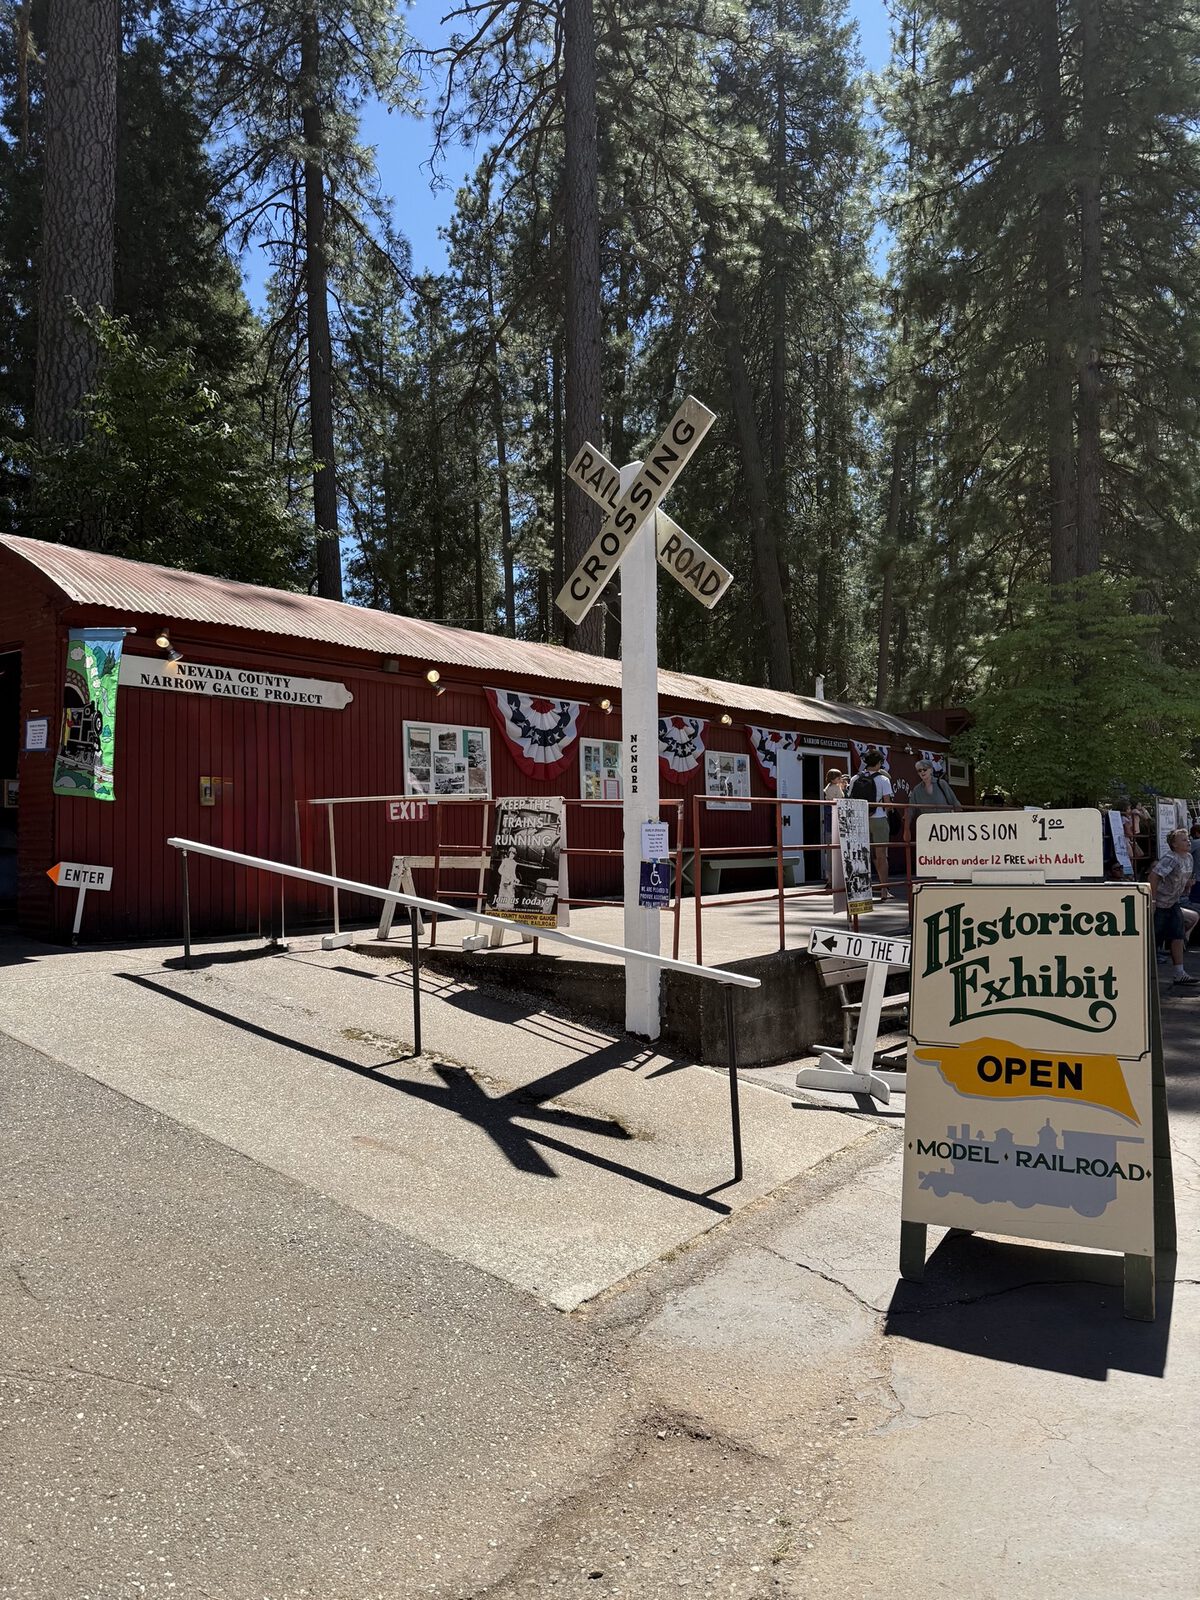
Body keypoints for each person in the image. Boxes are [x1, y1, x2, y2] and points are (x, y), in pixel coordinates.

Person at [1149, 827, 1199, 985]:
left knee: (1178, 936)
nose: (1188, 841)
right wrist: (1153, 900)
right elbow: (1154, 876)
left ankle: (1179, 973)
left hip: (1174, 902)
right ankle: (1143, 971)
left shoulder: (1189, 857)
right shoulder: (1170, 858)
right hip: (1161, 904)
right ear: (1174, 844)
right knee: (1153, 939)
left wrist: (1187, 885)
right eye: (1183, 839)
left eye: (1188, 839)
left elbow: (1184, 877)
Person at [850, 747, 894, 900]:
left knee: (861, 855)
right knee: (882, 855)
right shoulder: (883, 779)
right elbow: (888, 803)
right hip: (879, 818)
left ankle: (861, 890)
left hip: (860, 820)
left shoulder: (855, 778)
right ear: (879, 763)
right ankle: (884, 890)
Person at [903, 758, 961, 844]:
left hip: (945, 827)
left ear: (930, 770)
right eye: (919, 770)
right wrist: (906, 829)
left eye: (924, 769)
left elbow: (955, 803)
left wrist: (959, 824)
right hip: (927, 828)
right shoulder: (917, 790)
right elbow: (911, 810)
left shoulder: (942, 784)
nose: (922, 772)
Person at [821, 768, 847, 885]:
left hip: (828, 815)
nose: (840, 779)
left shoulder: (827, 787)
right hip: (835, 815)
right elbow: (841, 799)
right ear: (834, 779)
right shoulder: (836, 788)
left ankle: (830, 878)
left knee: (830, 850)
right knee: (837, 849)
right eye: (838, 778)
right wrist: (843, 789)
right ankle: (837, 878)